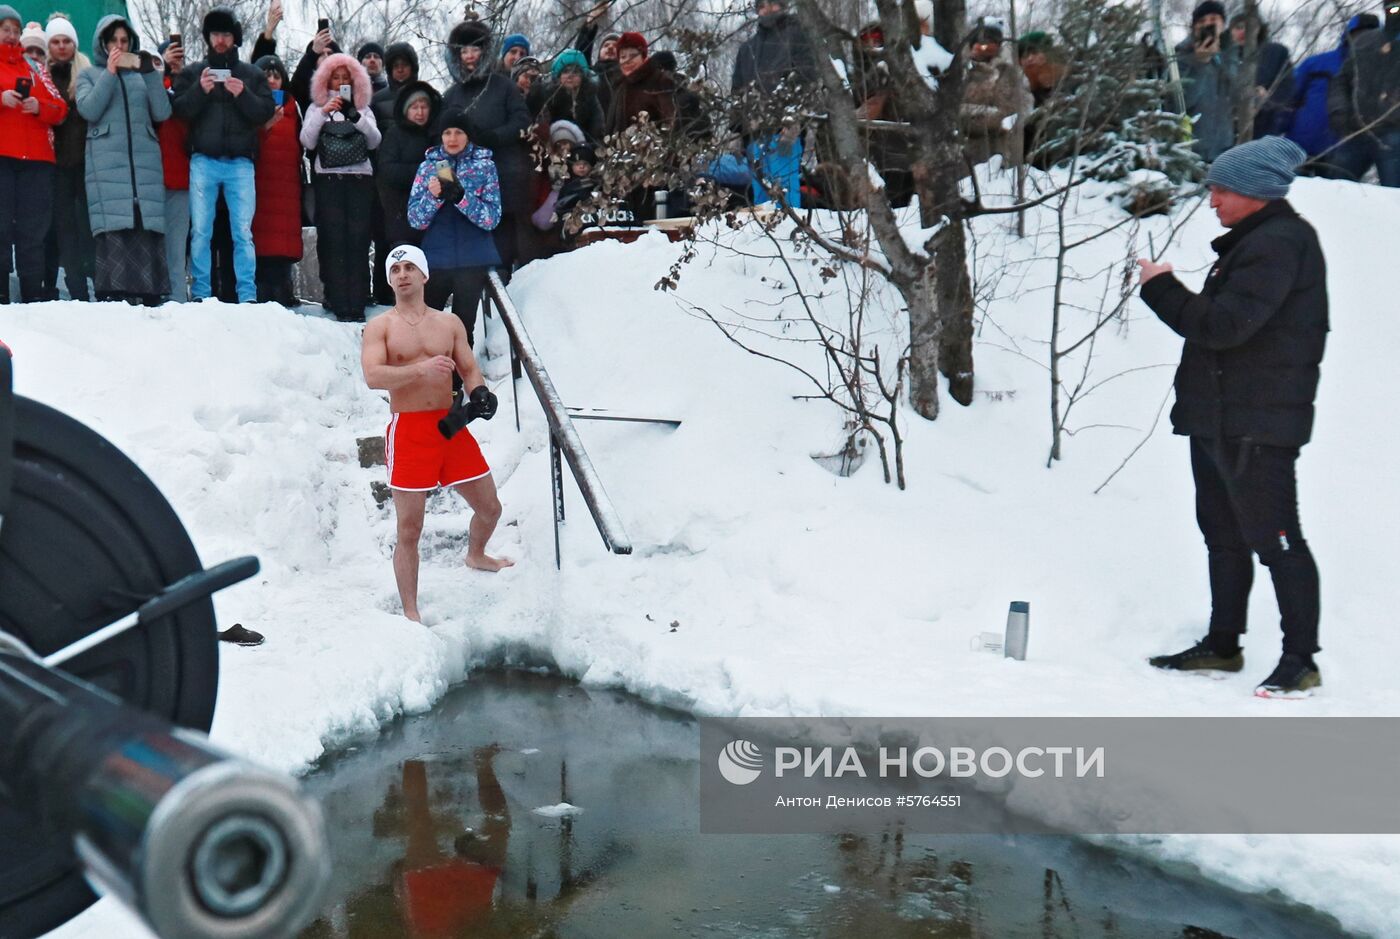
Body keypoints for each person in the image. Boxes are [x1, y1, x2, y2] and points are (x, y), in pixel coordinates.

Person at [1136, 137, 1326, 698]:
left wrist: (1160, 289)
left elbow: (1223, 327)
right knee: (1222, 536)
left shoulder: (1279, 244)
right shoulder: (1255, 242)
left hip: (1258, 423)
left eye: (1221, 188)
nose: (1212, 199)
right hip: (1221, 418)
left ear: (1255, 191)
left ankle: (1301, 660)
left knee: (1277, 539)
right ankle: (1224, 643)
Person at [361, 244, 512, 623]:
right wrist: (419, 371)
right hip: (409, 430)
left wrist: (479, 393)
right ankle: (411, 610)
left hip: (449, 426)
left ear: (425, 275)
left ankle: (476, 554)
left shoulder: (449, 323)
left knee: (490, 508)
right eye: (395, 270)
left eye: (410, 267)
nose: (403, 275)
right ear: (389, 279)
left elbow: (468, 367)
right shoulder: (381, 327)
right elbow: (373, 376)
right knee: (409, 528)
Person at [172, 8, 275, 304]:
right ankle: (202, 293)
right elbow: (178, 109)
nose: (220, 40)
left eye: (226, 34)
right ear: (207, 37)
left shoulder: (251, 74)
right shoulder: (193, 72)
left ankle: (248, 294)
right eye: (215, 34)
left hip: (241, 163)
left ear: (234, 38)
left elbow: (266, 112)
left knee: (243, 232)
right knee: (201, 231)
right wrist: (199, 91)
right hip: (203, 160)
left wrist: (243, 94)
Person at [77, 15, 171, 305]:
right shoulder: (89, 75)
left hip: (144, 171)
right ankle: (114, 295)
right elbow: (88, 109)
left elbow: (163, 113)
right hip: (107, 171)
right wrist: (110, 72)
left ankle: (151, 296)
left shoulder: (142, 78)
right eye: (113, 41)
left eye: (124, 41)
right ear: (103, 44)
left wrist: (151, 75)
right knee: (116, 229)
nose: (120, 45)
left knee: (144, 225)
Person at [443, 18, 530, 273]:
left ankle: (505, 289)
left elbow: (522, 122)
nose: (470, 56)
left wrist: (494, 137)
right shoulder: (451, 95)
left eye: (475, 49)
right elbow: (439, 140)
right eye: (464, 50)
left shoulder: (503, 86)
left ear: (485, 51)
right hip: (466, 183)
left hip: (503, 175)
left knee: (502, 242)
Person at [407, 108, 501, 344]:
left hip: (473, 259)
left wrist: (462, 198)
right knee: (427, 329)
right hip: (436, 260)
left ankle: (459, 380)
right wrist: (433, 197)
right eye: (447, 132)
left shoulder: (485, 166)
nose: (452, 138)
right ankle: (430, 379)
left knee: (462, 330)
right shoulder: (427, 167)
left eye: (458, 132)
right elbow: (415, 220)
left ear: (468, 135)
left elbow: (492, 218)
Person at [300, 51, 381, 321]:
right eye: (335, 77)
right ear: (326, 80)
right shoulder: (316, 108)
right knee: (333, 242)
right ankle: (337, 300)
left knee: (358, 241)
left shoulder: (362, 107)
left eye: (346, 77)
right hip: (329, 181)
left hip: (359, 181)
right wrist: (324, 111)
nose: (340, 82)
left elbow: (375, 141)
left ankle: (356, 303)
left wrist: (354, 115)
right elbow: (307, 141)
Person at [0, 4, 67, 304]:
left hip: (37, 161)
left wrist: (39, 107)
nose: (11, 35)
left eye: (15, 30)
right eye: (5, 30)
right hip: (2, 157)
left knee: (33, 233)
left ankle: (33, 298)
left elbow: (60, 108)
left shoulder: (35, 68)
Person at [1288, 14, 1379, 178]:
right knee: (1289, 195)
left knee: (1332, 198)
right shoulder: (1316, 63)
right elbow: (1289, 97)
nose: (1363, 39)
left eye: (1370, 35)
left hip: (1343, 151)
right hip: (1300, 143)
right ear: (1349, 35)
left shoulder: (1377, 72)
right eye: (1358, 34)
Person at [45, 16, 94, 301]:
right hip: (56, 166)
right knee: (64, 229)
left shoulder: (87, 73)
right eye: (56, 42)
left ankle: (98, 282)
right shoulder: (43, 78)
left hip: (87, 164)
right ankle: (76, 289)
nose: (62, 47)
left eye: (66, 41)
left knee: (89, 227)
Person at [1328, 0, 1400, 186]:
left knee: (1394, 194)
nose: (1395, 10)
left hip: (1394, 132)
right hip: (1357, 128)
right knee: (1335, 187)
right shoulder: (1365, 41)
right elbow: (1341, 80)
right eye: (1392, 6)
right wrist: (1339, 111)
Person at [251, 54, 301, 305]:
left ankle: (284, 290)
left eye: (276, 75)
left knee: (283, 243)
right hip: (260, 184)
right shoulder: (250, 106)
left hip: (287, 186)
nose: (272, 80)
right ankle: (262, 292)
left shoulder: (294, 109)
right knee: (260, 241)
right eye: (266, 76)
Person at [959, 19, 1033, 169]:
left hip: (1000, 154)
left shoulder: (1010, 73)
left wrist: (985, 117)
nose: (984, 49)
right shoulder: (959, 73)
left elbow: (1018, 112)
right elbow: (948, 112)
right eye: (980, 45)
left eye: (990, 45)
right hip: (963, 155)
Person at [377, 79, 441, 247]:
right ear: (406, 110)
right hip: (402, 215)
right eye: (414, 107)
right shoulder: (395, 134)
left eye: (424, 106)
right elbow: (387, 170)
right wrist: (423, 173)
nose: (420, 112)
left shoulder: (437, 133)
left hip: (436, 216)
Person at [1175, 0, 1237, 164]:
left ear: (1223, 24)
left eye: (1213, 19)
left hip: (1225, 151)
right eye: (1201, 21)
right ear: (1194, 27)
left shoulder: (1233, 55)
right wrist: (1200, 63)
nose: (1207, 24)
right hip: (1190, 151)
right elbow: (1180, 104)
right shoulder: (1180, 56)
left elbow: (1239, 99)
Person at [158, 37, 191, 301]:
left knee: (177, 250)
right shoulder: (154, 87)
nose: (176, 62)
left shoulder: (190, 91)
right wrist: (162, 72)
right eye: (171, 57)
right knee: (153, 249)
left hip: (181, 180)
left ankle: (178, 302)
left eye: (181, 58)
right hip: (150, 180)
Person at [1227, 14, 1294, 140]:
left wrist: (1266, 100)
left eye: (1248, 27)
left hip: (1265, 131)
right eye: (1237, 27)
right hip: (1230, 134)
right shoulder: (1226, 59)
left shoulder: (1275, 52)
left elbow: (1287, 92)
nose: (1243, 31)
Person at [534, 49, 604, 144]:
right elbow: (542, 126)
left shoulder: (590, 96)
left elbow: (597, 127)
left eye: (575, 71)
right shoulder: (549, 96)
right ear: (559, 75)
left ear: (582, 76)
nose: (570, 76)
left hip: (584, 146)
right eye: (565, 71)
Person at [371, 40, 419, 128]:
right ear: (390, 70)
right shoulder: (377, 99)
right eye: (396, 66)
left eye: (404, 65)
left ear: (412, 67)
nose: (400, 70)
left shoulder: (427, 95)